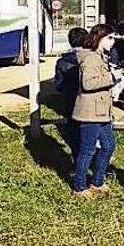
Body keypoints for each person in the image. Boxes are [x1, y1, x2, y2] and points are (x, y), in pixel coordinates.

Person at [71, 24, 124, 198]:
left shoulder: (101, 56)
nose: (112, 42)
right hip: (90, 112)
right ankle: (79, 188)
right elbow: (88, 83)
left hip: (102, 111)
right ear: (99, 38)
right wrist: (113, 77)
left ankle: (96, 182)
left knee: (109, 146)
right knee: (87, 150)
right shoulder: (90, 58)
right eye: (109, 38)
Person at [53, 27, 88, 158]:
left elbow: (58, 84)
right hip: (87, 101)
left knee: (73, 133)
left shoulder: (62, 61)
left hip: (69, 101)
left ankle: (76, 159)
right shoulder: (90, 59)